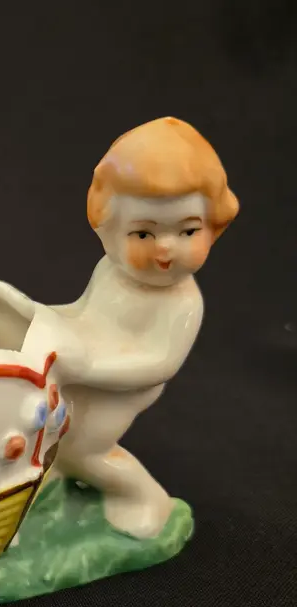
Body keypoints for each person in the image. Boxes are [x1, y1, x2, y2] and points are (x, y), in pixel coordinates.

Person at [52, 117, 239, 537]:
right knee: (55, 434)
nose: (166, 248)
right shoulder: (109, 272)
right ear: (105, 230)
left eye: (188, 230)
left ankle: (143, 497)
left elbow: (159, 364)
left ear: (214, 228)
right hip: (83, 368)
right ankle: (57, 482)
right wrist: (47, 316)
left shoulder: (182, 302)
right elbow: (84, 312)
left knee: (85, 450)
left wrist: (86, 368)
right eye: (143, 234)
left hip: (123, 387)